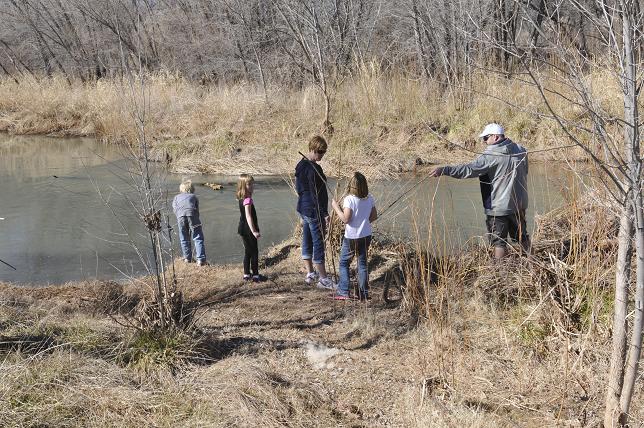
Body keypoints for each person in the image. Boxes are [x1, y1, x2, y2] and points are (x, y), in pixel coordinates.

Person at [429, 123, 530, 259]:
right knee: (522, 237)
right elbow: (526, 172)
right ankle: (532, 264)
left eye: (486, 138)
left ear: (495, 137)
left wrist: (445, 170)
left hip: (498, 208)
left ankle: (499, 273)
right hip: (519, 205)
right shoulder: (521, 150)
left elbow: (468, 170)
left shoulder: (490, 155)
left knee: (499, 242)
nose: (484, 142)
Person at [295, 135, 336, 289]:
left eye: (323, 152)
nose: (321, 155)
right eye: (319, 151)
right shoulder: (313, 169)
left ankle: (311, 273)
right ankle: (323, 279)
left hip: (303, 208)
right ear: (311, 149)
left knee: (307, 239)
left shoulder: (301, 165)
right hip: (313, 210)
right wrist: (324, 213)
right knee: (318, 242)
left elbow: (300, 190)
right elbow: (315, 194)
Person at [331, 172, 378, 300]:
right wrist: (363, 219)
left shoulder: (349, 199)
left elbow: (346, 219)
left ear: (352, 186)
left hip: (352, 237)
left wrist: (336, 208)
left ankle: (344, 291)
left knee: (344, 263)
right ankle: (363, 293)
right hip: (366, 235)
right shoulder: (370, 198)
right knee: (362, 264)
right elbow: (374, 217)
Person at [236, 174, 268, 282]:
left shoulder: (241, 198)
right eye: (249, 184)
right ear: (243, 186)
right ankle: (255, 275)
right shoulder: (248, 200)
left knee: (248, 252)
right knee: (254, 252)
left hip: (242, 228)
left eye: (252, 184)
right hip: (248, 230)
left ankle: (246, 274)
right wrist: (254, 231)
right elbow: (248, 216)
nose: (252, 186)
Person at [172, 180, 207, 266]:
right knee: (198, 236)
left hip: (180, 216)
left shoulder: (176, 197)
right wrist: (195, 222)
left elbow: (174, 209)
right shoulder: (194, 196)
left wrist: (180, 216)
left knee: (184, 237)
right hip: (192, 215)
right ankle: (201, 260)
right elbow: (197, 210)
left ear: (181, 189)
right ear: (191, 189)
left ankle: (187, 258)